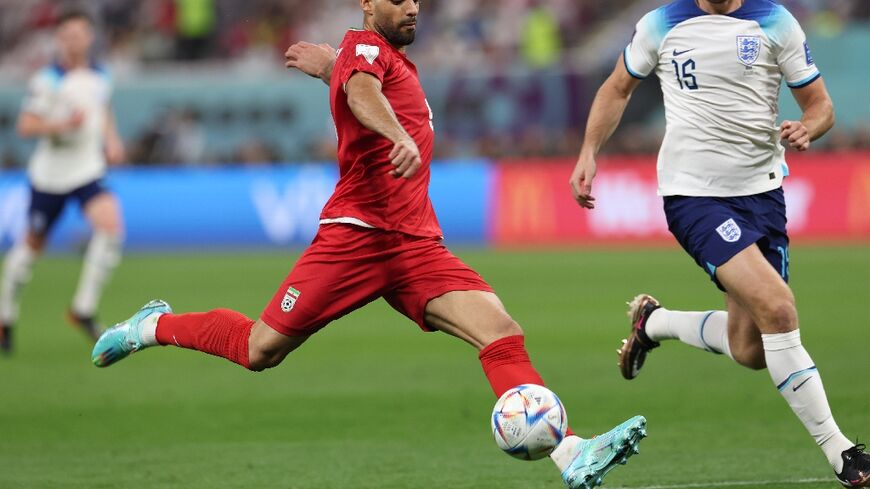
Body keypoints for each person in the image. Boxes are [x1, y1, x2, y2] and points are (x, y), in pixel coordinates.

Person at [92, 1, 645, 488]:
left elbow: (354, 79)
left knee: (500, 330)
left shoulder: (386, 59)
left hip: (415, 245)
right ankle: (152, 326)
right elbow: (361, 90)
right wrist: (394, 131)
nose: (412, 8)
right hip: (356, 238)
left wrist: (330, 70)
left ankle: (572, 453)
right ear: (366, 5)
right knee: (259, 350)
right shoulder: (363, 46)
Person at [569, 0, 869, 486]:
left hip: (763, 194)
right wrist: (588, 151)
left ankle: (655, 322)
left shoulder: (775, 21)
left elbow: (821, 106)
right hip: (694, 195)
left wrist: (807, 127)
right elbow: (617, 88)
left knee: (751, 348)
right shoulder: (661, 23)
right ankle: (844, 454)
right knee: (779, 308)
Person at [0, 9, 125, 353]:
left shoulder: (101, 75)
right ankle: (5, 313)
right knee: (31, 247)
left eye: (79, 34)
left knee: (111, 227)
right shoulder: (47, 80)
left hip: (87, 169)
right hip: (51, 176)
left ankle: (82, 309)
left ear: (90, 37)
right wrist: (62, 126)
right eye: (66, 35)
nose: (73, 41)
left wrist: (112, 139)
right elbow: (26, 125)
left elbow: (103, 110)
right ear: (59, 39)